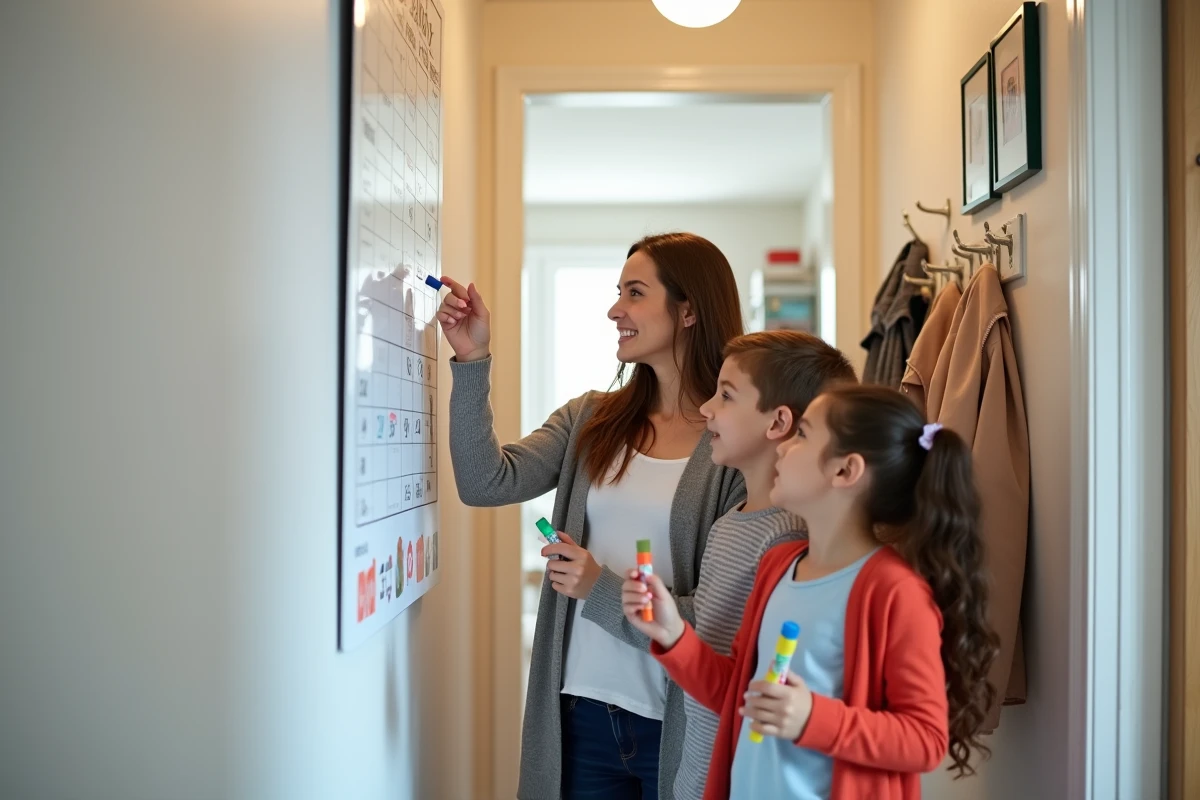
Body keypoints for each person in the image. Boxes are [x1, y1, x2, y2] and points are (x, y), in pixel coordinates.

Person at [437, 232, 745, 800]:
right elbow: (485, 482)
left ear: (689, 311)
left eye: (635, 293)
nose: (615, 310)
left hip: (679, 725)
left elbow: (720, 620)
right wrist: (472, 360)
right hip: (580, 714)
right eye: (617, 292)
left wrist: (598, 587)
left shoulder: (733, 447)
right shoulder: (591, 420)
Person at [623, 385, 1000, 800]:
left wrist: (812, 718)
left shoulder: (895, 592)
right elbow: (738, 695)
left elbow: (925, 740)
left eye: (802, 434)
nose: (784, 446)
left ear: (845, 471)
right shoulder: (778, 565)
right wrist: (674, 634)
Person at [672, 330, 855, 800]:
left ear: (778, 422)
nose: (706, 408)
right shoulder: (729, 523)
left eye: (725, 395)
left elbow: (754, 682)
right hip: (698, 771)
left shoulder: (788, 537)